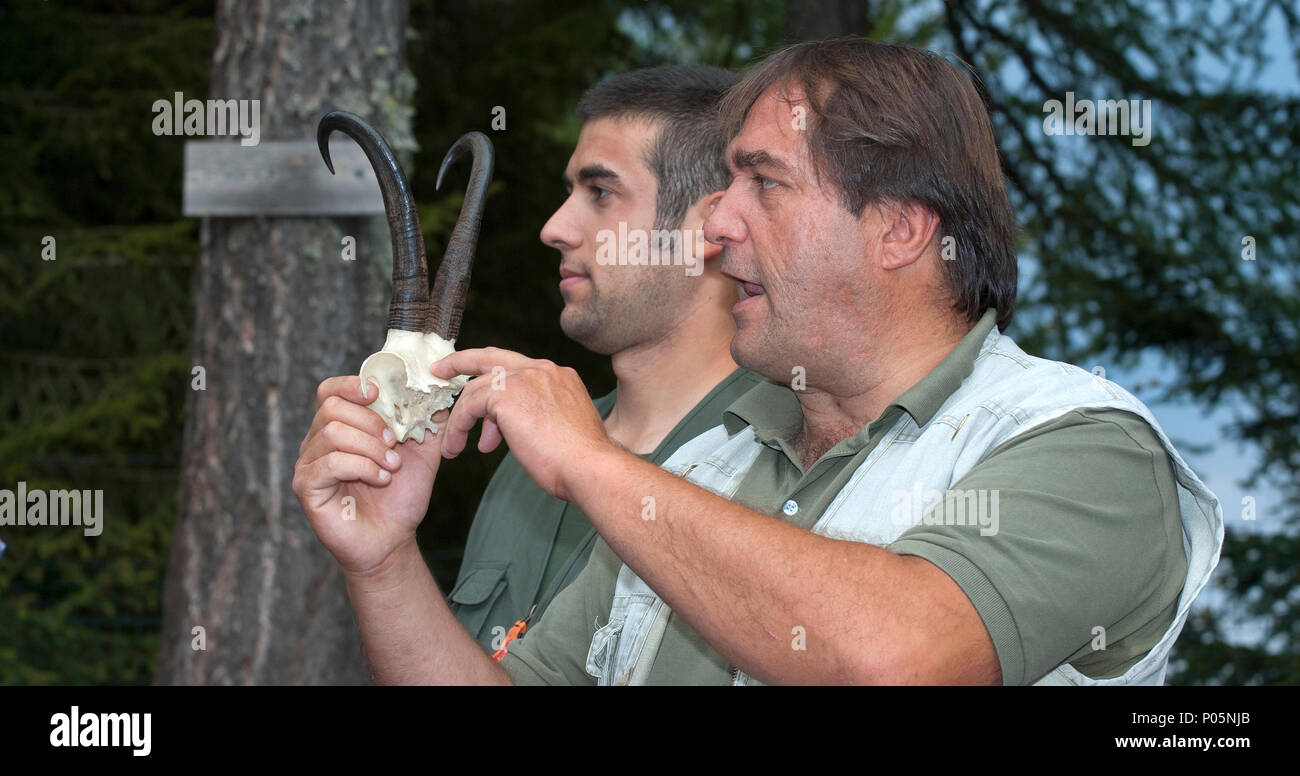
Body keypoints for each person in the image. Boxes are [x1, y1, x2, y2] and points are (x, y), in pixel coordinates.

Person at [294, 38, 1223, 685]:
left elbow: (895, 658)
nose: (717, 225)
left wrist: (592, 462)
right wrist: (383, 563)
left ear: (899, 230)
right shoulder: (706, 471)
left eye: (764, 185)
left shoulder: (1084, 448)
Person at [446, 66, 766, 652]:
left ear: (708, 225)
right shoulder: (524, 457)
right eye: (568, 193)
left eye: (601, 193)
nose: (554, 228)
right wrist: (382, 559)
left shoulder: (778, 470)